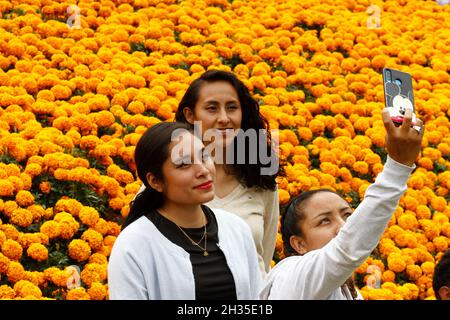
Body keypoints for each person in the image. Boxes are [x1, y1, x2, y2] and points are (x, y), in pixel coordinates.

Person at [260, 108, 424, 299]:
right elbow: (346, 249)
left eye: (347, 215)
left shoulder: (349, 291)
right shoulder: (293, 274)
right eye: (324, 221)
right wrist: (397, 167)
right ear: (299, 244)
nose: (343, 227)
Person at [136, 70, 280, 276]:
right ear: (190, 115)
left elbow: (263, 257)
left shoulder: (262, 179)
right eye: (212, 108)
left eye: (232, 108)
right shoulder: (168, 181)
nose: (224, 118)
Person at [108, 122, 261, 299]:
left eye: (204, 157)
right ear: (155, 181)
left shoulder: (236, 228)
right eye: (184, 164)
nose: (203, 170)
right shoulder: (133, 245)